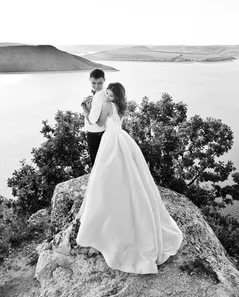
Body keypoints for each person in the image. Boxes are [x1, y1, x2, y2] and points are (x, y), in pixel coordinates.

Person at [77, 82, 183, 274]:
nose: (107, 96)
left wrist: (86, 110)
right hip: (122, 139)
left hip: (110, 141)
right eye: (106, 93)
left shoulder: (107, 106)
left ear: (114, 95)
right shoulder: (121, 105)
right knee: (131, 173)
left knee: (106, 175)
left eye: (109, 93)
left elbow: (99, 124)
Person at [82, 69, 107, 167]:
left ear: (104, 80)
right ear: (89, 80)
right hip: (103, 132)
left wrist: (84, 106)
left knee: (96, 163)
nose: (96, 86)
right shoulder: (106, 92)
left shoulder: (98, 97)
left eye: (99, 83)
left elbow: (92, 120)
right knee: (102, 161)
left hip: (95, 134)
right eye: (94, 83)